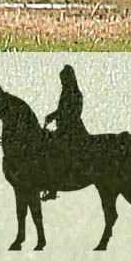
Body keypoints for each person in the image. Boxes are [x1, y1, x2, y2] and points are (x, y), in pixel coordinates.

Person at [41, 64, 85, 200]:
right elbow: (61, 109)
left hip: (72, 128)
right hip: (64, 127)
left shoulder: (75, 94)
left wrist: (58, 116)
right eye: (62, 80)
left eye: (64, 80)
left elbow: (73, 112)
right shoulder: (65, 92)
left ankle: (55, 185)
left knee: (56, 150)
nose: (62, 82)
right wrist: (53, 115)